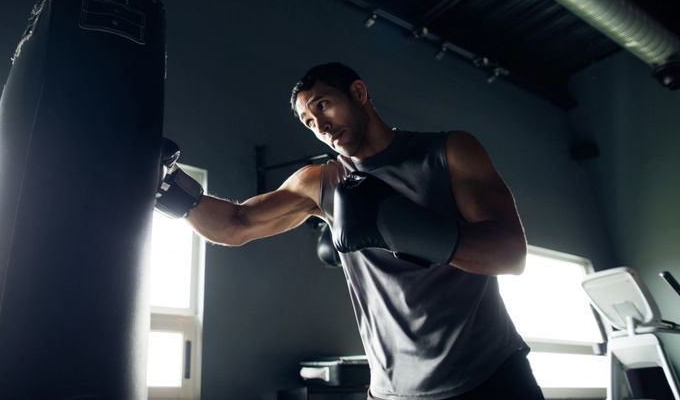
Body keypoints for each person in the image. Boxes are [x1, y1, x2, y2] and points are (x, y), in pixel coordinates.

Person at [156, 62, 544, 400]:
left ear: (358, 92)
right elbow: (235, 225)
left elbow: (510, 255)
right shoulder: (322, 183)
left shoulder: (449, 152)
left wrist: (407, 231)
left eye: (323, 105)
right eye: (309, 122)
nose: (321, 126)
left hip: (491, 376)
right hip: (394, 392)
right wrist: (169, 186)